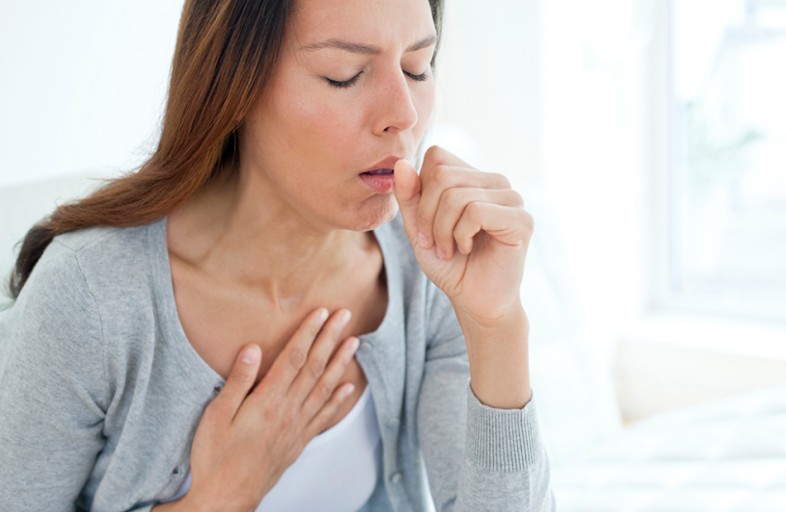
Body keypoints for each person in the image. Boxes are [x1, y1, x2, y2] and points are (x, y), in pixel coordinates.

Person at [0, 0, 554, 510]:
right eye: (344, 74)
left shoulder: (430, 264)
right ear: (235, 85)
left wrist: (497, 324)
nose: (403, 114)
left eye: (417, 67)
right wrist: (216, 499)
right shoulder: (88, 298)